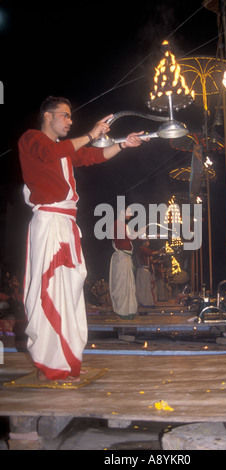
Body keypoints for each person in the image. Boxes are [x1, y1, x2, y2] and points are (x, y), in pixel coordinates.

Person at [18, 95, 145, 382]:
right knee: (50, 291)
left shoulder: (62, 149)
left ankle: (66, 360)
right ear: (48, 116)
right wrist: (90, 134)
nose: (70, 120)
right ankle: (50, 365)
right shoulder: (32, 139)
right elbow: (52, 154)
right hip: (49, 222)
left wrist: (123, 143)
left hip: (65, 223)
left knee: (70, 291)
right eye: (65, 115)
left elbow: (92, 156)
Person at [109, 207, 138, 319]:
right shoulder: (117, 224)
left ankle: (129, 310)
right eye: (128, 212)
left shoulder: (123, 226)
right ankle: (122, 311)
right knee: (121, 285)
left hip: (125, 258)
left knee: (128, 286)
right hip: (121, 258)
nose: (130, 215)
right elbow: (125, 238)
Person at [135, 240, 160, 308]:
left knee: (145, 287)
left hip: (144, 270)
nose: (148, 243)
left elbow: (150, 252)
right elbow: (149, 252)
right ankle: (145, 303)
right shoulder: (141, 249)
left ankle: (144, 302)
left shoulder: (143, 250)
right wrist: (158, 252)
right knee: (144, 288)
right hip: (143, 270)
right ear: (143, 242)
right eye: (147, 242)